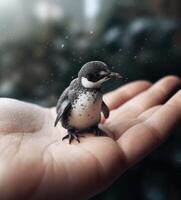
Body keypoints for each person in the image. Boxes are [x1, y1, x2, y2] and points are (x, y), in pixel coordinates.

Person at [0, 76, 180, 200]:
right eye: (98, 76)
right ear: (86, 78)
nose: (104, 78)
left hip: (94, 123)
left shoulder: (97, 91)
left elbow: (103, 108)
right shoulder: (73, 92)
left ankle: (93, 125)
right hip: (71, 123)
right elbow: (62, 108)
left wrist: (103, 113)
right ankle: (73, 129)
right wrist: (63, 124)